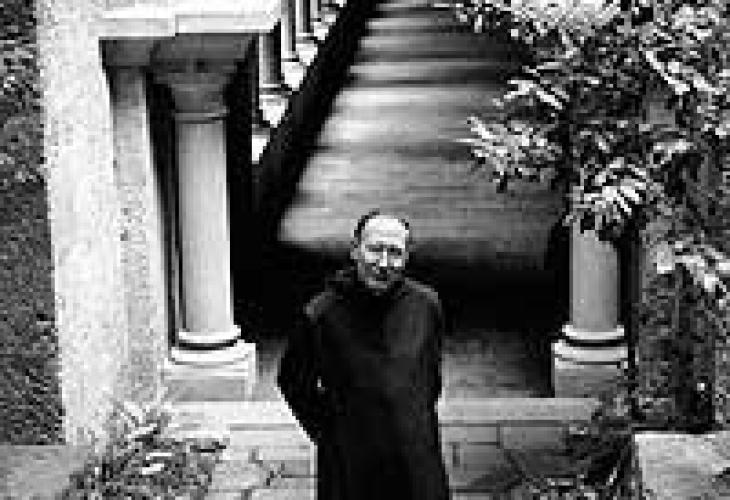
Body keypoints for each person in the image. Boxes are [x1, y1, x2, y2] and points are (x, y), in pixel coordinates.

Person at [277, 210, 451, 500]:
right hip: (351, 461)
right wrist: (330, 433)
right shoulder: (321, 314)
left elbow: (429, 378)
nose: (383, 263)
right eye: (375, 249)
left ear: (407, 256)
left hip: (417, 458)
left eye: (395, 252)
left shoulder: (426, 305)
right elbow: (293, 382)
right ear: (355, 250)